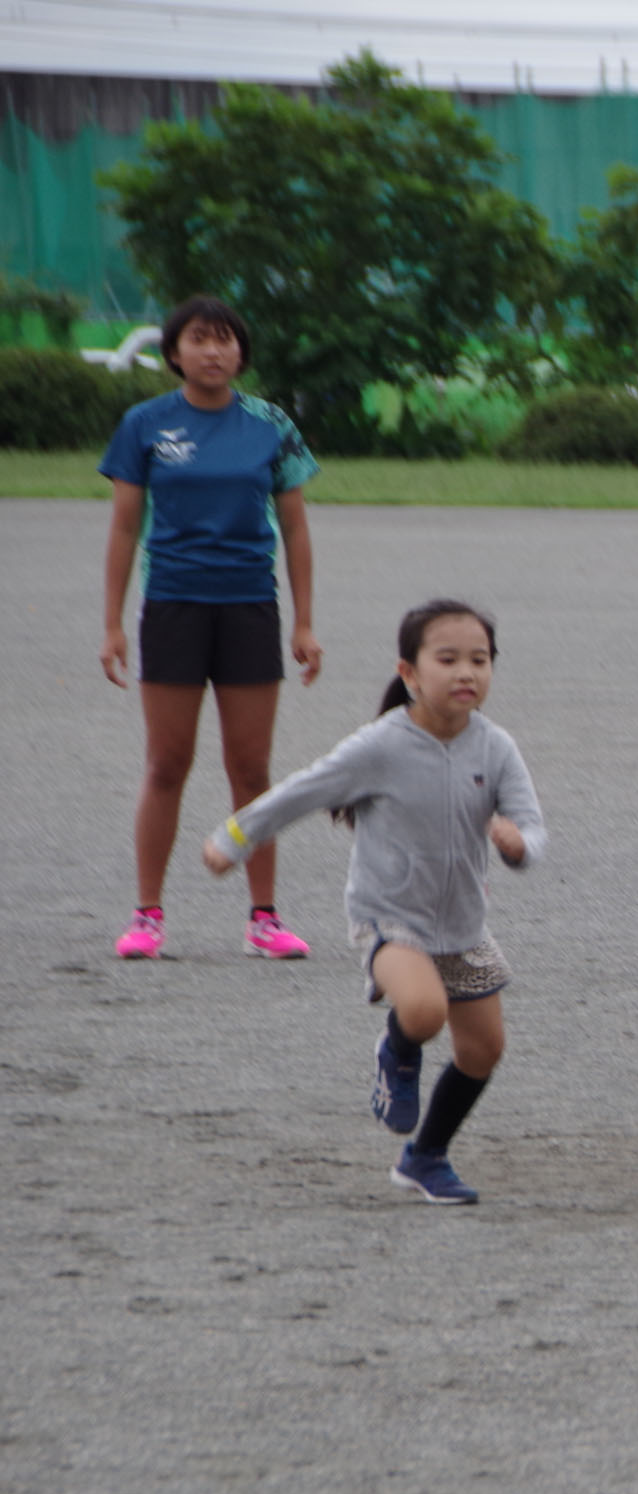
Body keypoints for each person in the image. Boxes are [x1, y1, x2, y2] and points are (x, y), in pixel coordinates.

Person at [200, 600, 544, 1205]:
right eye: (448, 659)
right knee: (422, 1009)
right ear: (409, 673)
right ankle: (398, 1047)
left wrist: (519, 843)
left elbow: (532, 826)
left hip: (463, 927)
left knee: (485, 1049)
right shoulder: (380, 746)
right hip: (389, 919)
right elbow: (304, 791)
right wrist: (235, 837)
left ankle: (425, 1157)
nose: (467, 672)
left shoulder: (496, 748)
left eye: (480, 660)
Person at [101, 295, 323, 961]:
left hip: (249, 605)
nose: (214, 351)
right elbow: (122, 526)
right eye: (199, 339)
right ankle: (147, 916)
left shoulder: (269, 424)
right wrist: (112, 623)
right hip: (173, 604)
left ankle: (264, 917)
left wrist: (305, 620)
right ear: (173, 353)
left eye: (226, 340)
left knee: (251, 767)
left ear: (241, 354)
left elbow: (296, 528)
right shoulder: (145, 424)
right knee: (167, 762)